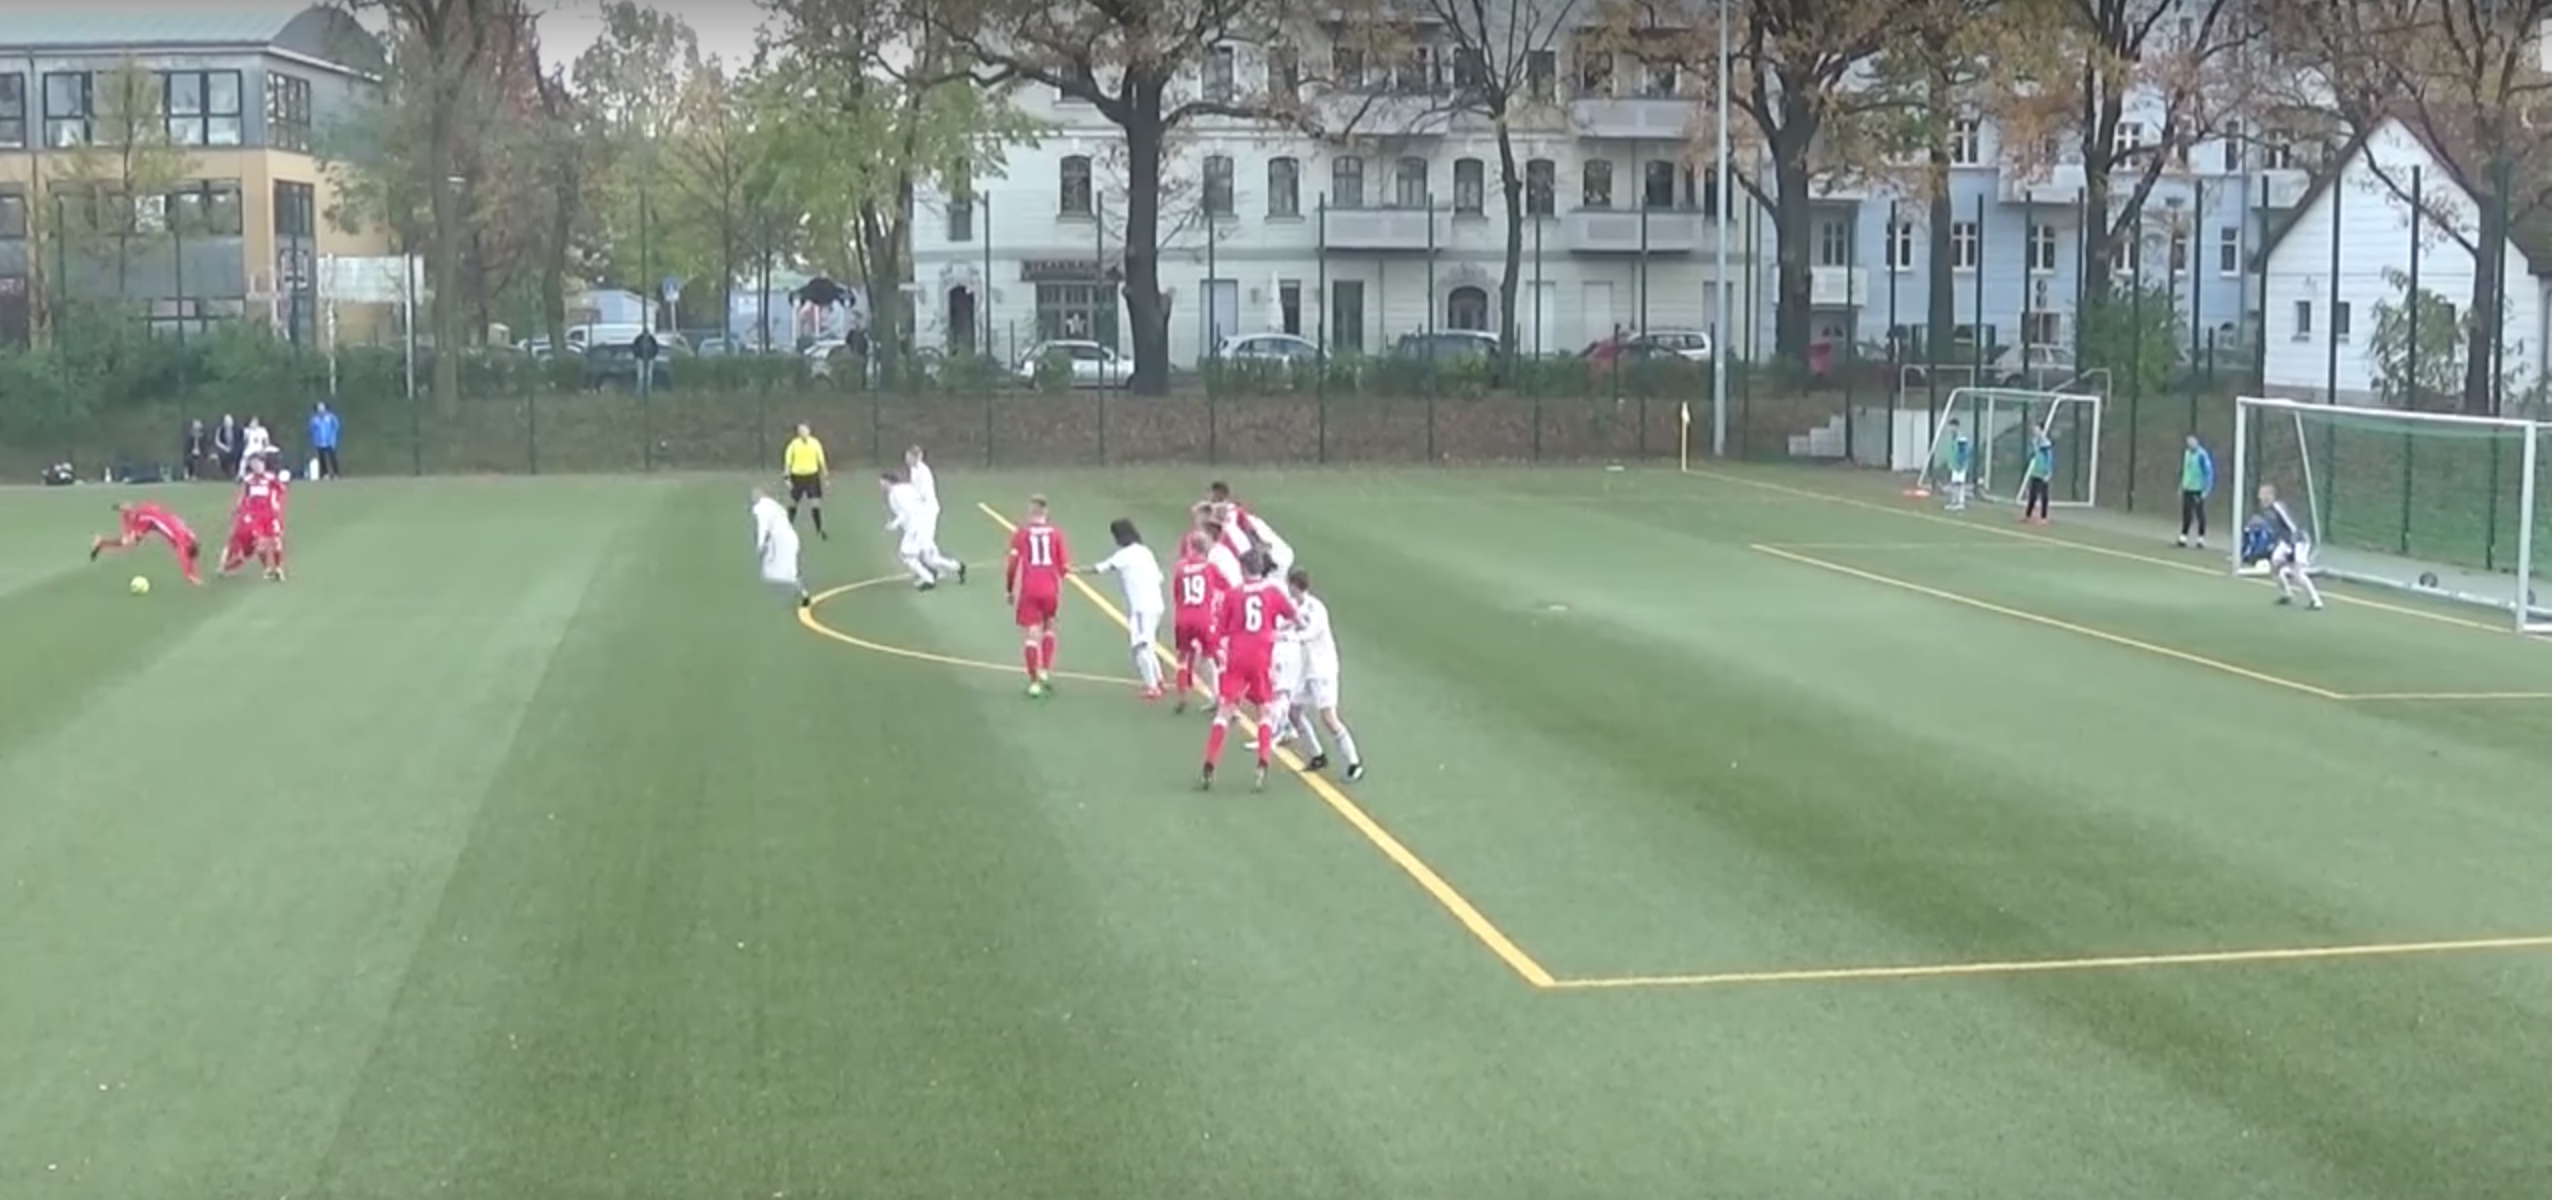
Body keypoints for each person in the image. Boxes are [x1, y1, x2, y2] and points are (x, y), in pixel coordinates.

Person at [1201, 549, 1296, 791]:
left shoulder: (1233, 595)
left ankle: (1210, 763)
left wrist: (1215, 648)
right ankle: (1263, 759)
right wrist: (1277, 630)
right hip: (1261, 656)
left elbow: (1219, 629)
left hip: (1237, 656)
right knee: (1263, 710)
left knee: (1224, 711)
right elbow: (1293, 617)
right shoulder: (1272, 592)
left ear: (1243, 569)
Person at [1283, 567, 1364, 781]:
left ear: (1294, 586)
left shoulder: (1316, 609)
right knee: (1293, 711)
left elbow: (1308, 633)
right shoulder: (1293, 606)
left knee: (1328, 718)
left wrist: (1286, 637)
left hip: (1322, 671)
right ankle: (1317, 754)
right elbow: (1286, 623)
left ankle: (1353, 762)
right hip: (1305, 670)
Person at [1091, 517, 1167, 699]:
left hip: (1141, 607)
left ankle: (1152, 687)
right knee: (1149, 644)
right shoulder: (1145, 551)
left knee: (1140, 647)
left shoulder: (1124, 555)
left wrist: (1072, 570)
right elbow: (1160, 577)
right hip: (1157, 604)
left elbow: (1099, 568)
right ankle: (1159, 680)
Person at [1003, 495, 1070, 698]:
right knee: (1049, 627)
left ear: (1030, 512)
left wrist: (1009, 589)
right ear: (1046, 513)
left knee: (1032, 633)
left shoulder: (1021, 534)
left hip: (1030, 589)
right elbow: (1064, 567)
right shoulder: (1057, 534)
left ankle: (1034, 683)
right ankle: (1045, 671)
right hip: (1051, 589)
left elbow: (1013, 564)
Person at [1168, 530, 1227, 714]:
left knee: (1182, 657)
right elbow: (1227, 588)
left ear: (1191, 547)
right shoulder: (1210, 567)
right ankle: (1224, 699)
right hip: (1204, 617)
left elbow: (1176, 594)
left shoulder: (1180, 567)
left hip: (1184, 617)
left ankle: (1182, 696)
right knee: (1217, 658)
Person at [881, 470, 964, 589]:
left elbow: (905, 512)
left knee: (907, 555)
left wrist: (894, 524)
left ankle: (928, 578)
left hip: (915, 527)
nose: (882, 486)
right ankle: (956, 567)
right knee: (929, 557)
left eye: (883, 483)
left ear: (888, 482)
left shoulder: (894, 494)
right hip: (924, 524)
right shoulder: (907, 487)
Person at [91, 501, 203, 585]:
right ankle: (126, 513)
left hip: (155, 517)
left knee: (130, 541)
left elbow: (188, 553)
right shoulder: (182, 540)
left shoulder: (190, 536)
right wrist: (190, 574)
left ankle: (102, 542)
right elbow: (184, 556)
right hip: (150, 518)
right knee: (129, 541)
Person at [2254, 483, 2324, 610]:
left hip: (2299, 541)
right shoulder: (2267, 511)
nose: (2260, 497)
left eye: (2263, 494)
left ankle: (2316, 600)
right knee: (2275, 564)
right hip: (2286, 542)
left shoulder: (2277, 507)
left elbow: (2292, 527)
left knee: (2297, 572)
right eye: (2260, 494)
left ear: (2270, 496)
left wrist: (2292, 548)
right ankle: (2287, 594)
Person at [222, 459, 289, 581]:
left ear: (264, 465)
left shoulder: (271, 478)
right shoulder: (249, 480)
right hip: (255, 516)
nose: (257, 467)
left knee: (276, 541)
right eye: (254, 465)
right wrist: (237, 508)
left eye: (259, 464)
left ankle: (279, 569)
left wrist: (277, 501)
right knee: (260, 543)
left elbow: (282, 489)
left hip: (270, 515)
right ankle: (267, 569)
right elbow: (244, 495)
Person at [1208, 481, 1292, 575]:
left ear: (1220, 494)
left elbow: (1248, 528)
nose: (1210, 496)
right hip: (1223, 549)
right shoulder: (1208, 512)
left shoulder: (1234, 510)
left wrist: (1260, 542)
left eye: (1212, 493)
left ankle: (1266, 561)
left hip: (1239, 550)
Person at [749, 487, 810, 608]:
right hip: (790, 538)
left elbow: (763, 527)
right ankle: (803, 594)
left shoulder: (761, 508)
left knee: (776, 570)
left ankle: (761, 599)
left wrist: (760, 545)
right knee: (789, 571)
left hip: (780, 542)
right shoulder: (775, 506)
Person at [782, 423, 828, 538]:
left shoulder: (815, 443)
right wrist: (787, 477)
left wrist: (825, 476)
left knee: (815, 503)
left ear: (809, 431)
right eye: (801, 431)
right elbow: (788, 462)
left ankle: (819, 530)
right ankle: (786, 529)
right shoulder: (793, 444)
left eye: (805, 430)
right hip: (797, 477)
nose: (803, 432)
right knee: (793, 503)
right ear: (798, 433)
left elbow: (821, 460)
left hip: (812, 476)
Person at [2177, 433, 2215, 549]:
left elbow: (2209, 473)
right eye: (2188, 442)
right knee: (2186, 513)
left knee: (2199, 514)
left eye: (2192, 441)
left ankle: (2201, 538)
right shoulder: (2187, 453)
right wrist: (2181, 485)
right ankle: (2183, 537)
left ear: (2197, 441)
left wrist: (2206, 490)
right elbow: (2185, 471)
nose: (2190, 444)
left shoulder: (2202, 455)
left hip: (2198, 489)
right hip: (2187, 488)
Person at [2019, 423, 2054, 524]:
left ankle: (2044, 517)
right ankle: (2028, 515)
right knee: (2032, 494)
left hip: (2043, 472)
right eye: (2034, 428)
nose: (2034, 430)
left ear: (2041, 430)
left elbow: (2049, 458)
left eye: (2037, 428)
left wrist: (2048, 472)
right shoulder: (2035, 442)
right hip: (2036, 471)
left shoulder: (2046, 443)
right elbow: (2033, 455)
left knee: (2044, 495)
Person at [1938, 417, 1973, 512]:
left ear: (1956, 426)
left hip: (1960, 464)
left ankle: (1961, 502)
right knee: (1954, 483)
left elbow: (1963, 452)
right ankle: (1953, 501)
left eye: (1952, 426)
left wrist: (1960, 464)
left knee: (1960, 483)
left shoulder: (1961, 437)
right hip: (1954, 464)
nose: (1950, 429)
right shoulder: (1952, 437)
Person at [309, 402, 342, 479]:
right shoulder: (314, 420)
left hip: (330, 441)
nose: (321, 411)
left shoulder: (330, 417)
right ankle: (325, 474)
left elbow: (336, 427)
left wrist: (333, 438)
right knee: (322, 458)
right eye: (319, 409)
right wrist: (315, 440)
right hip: (319, 442)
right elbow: (312, 430)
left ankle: (336, 473)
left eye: (322, 409)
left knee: (332, 457)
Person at [212, 414, 241, 479]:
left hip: (235, 450)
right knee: (222, 458)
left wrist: (233, 449)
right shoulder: (221, 430)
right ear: (224, 423)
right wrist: (225, 448)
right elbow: (218, 442)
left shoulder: (237, 430)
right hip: (225, 450)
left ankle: (236, 475)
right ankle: (227, 474)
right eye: (226, 422)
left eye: (229, 422)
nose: (228, 423)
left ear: (232, 422)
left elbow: (239, 442)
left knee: (237, 456)